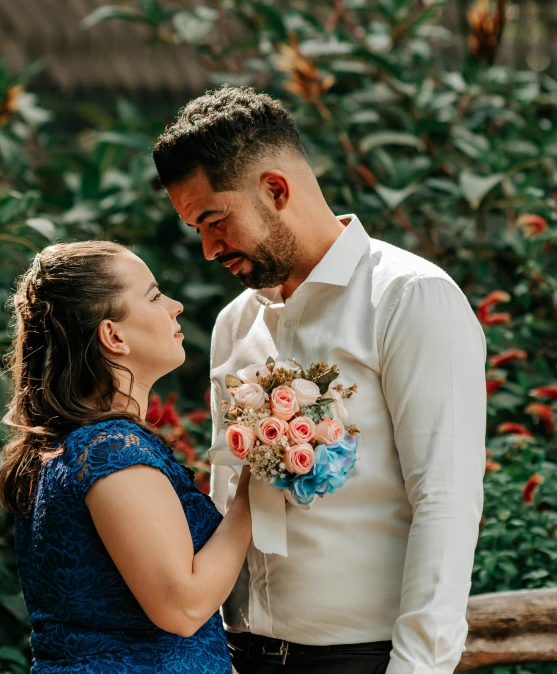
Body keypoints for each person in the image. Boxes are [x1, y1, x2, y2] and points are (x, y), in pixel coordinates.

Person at [152, 85, 487, 674]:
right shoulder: (235, 324)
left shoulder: (410, 298)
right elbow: (229, 496)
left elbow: (446, 501)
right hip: (240, 654)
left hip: (362, 659)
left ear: (275, 190)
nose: (207, 249)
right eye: (196, 229)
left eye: (214, 220)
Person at [0, 241, 251, 673]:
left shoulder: (72, 445)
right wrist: (254, 490)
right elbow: (183, 607)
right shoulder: (110, 449)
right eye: (154, 296)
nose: (176, 306)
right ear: (113, 336)